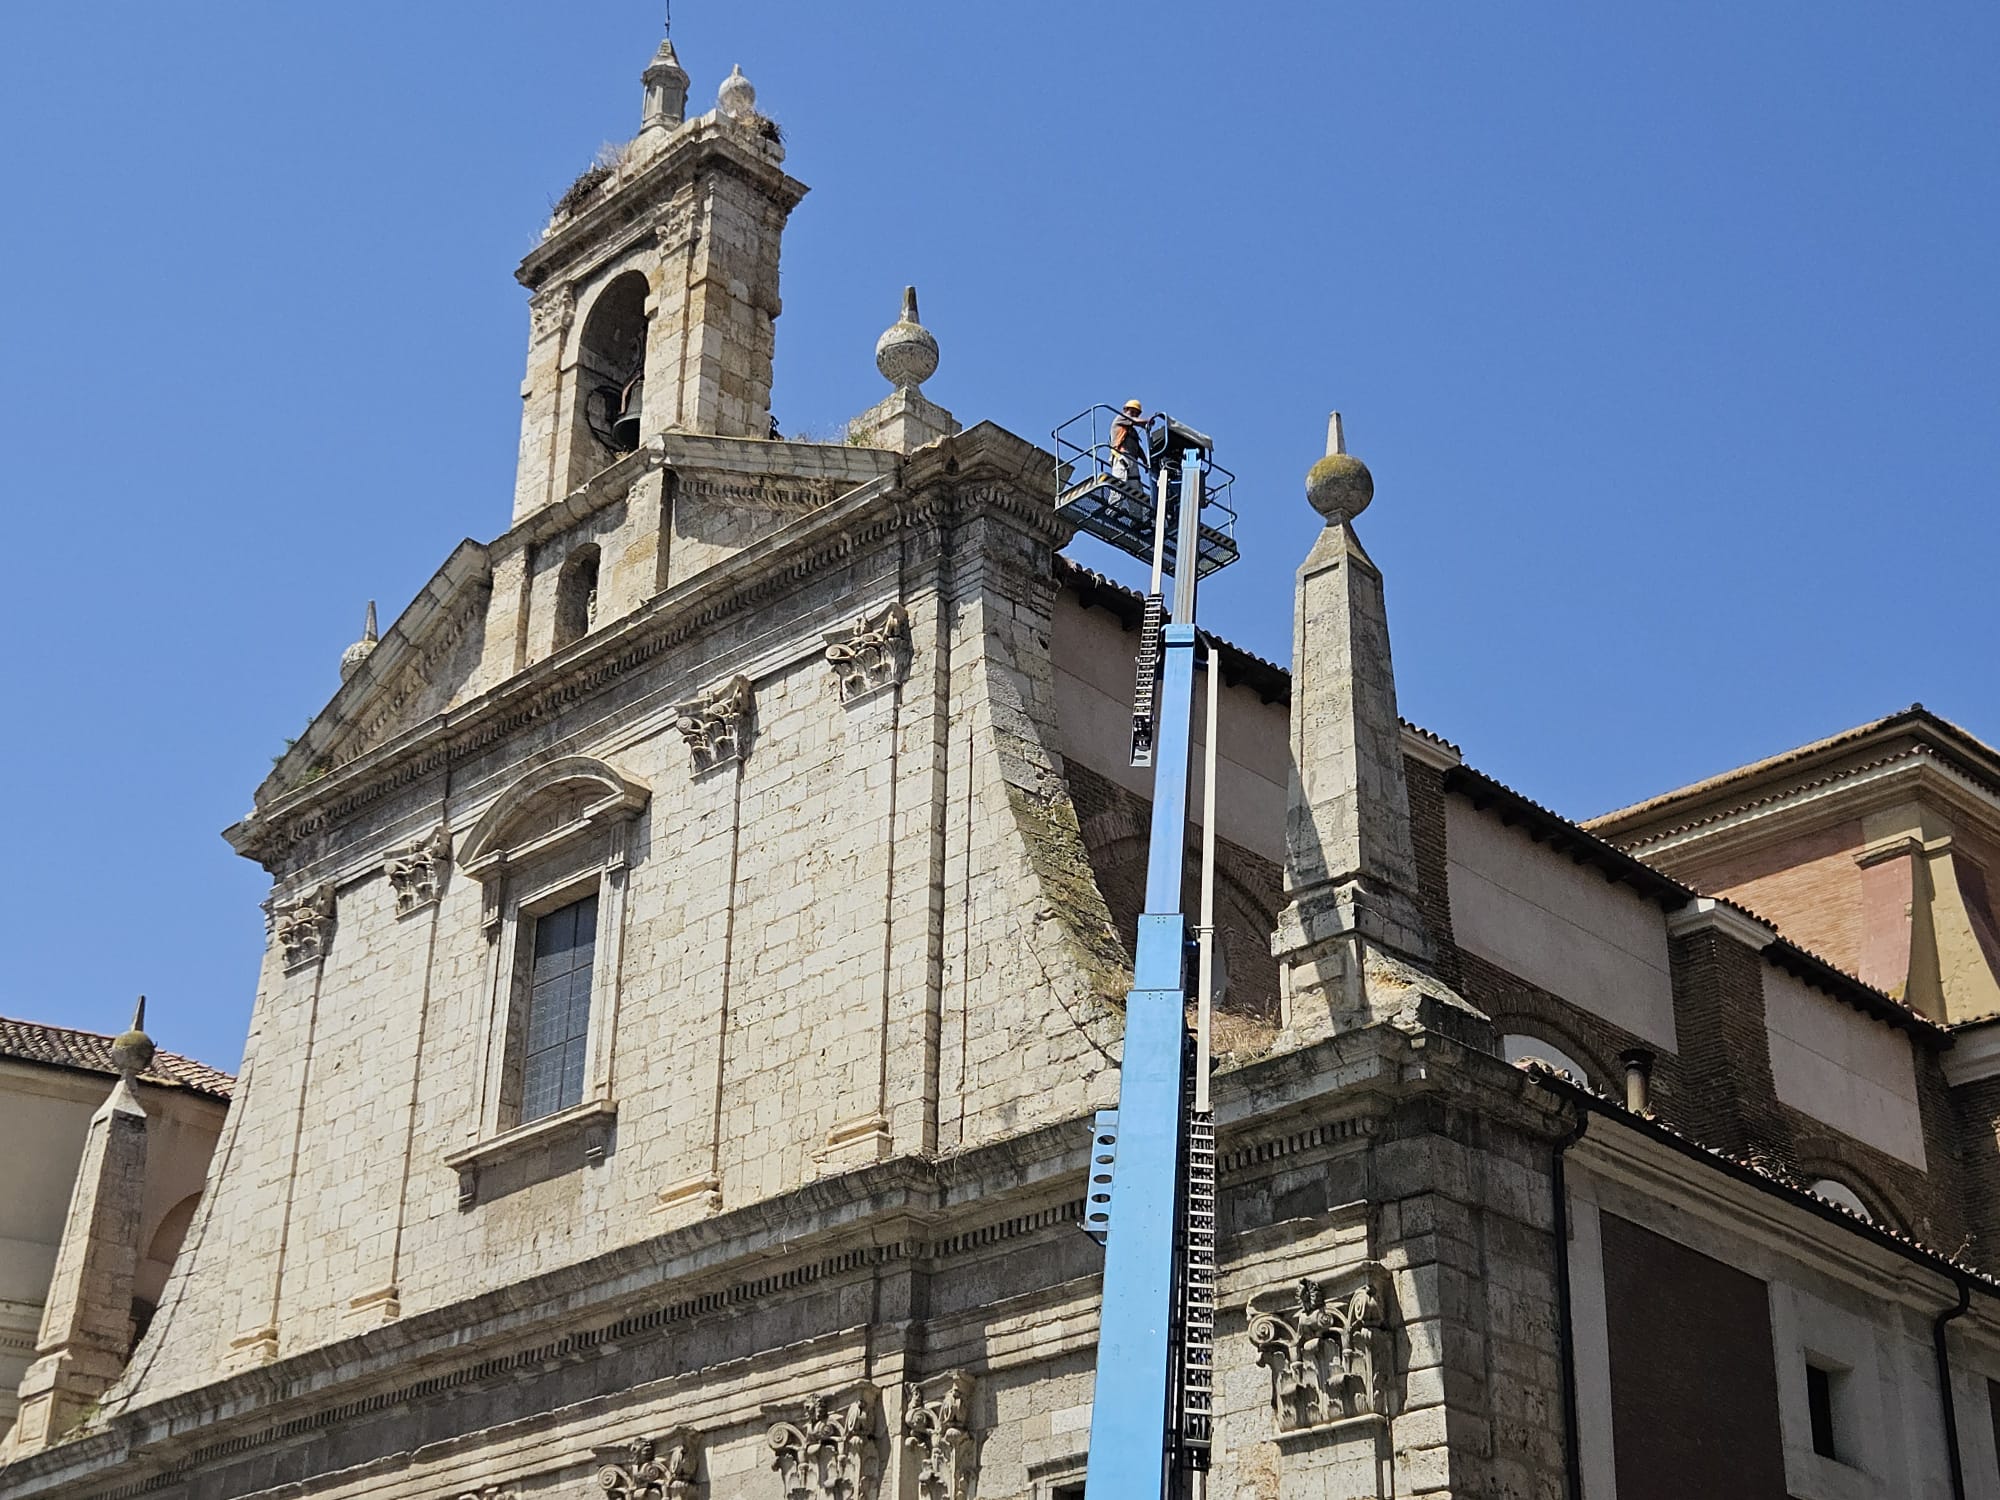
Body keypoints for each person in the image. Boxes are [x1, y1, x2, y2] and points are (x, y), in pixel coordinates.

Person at [1109, 398, 1152, 489]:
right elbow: (1134, 421)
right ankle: (1115, 503)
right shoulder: (1120, 418)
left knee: (1135, 489)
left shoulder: (1132, 431)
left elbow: (1138, 448)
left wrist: (1145, 461)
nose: (1134, 415)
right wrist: (1147, 421)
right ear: (1126, 410)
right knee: (1119, 485)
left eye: (1136, 413)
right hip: (1121, 457)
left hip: (1133, 460)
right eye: (1132, 412)